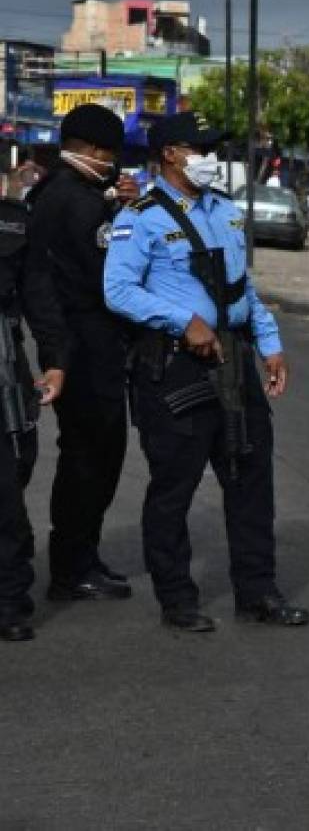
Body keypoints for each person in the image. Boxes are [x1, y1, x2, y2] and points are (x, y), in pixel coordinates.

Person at [104, 112, 309, 632]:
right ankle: (177, 600)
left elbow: (241, 288)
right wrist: (183, 321)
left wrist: (270, 344)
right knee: (175, 485)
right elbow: (119, 290)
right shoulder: (141, 215)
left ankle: (258, 592)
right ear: (170, 154)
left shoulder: (225, 210)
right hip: (176, 365)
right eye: (201, 149)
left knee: (251, 478)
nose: (211, 159)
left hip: (236, 362)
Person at [26, 104, 137, 601]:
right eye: (109, 154)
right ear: (92, 151)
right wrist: (124, 212)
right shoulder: (80, 201)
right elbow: (111, 272)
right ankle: (74, 565)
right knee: (93, 455)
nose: (113, 163)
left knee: (86, 454)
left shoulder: (51, 191)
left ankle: (77, 558)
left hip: (71, 341)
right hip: (89, 343)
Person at [0, 154, 68, 641]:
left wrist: (54, 359)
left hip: (4, 367)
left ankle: (8, 603)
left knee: (11, 481)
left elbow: (39, 295)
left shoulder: (14, 225)